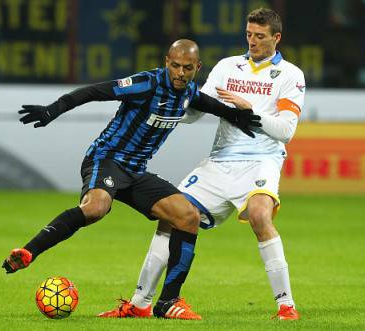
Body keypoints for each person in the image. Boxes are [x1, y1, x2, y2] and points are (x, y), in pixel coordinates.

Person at [1, 39, 262, 320]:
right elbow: (94, 91)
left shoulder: (188, 93)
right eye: (175, 65)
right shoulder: (146, 84)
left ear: (197, 67)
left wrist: (236, 115)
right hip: (107, 160)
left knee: (188, 216)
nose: (180, 73)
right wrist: (53, 109)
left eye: (187, 68)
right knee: (96, 208)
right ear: (166, 62)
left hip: (136, 171)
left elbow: (205, 102)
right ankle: (29, 252)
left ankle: (167, 302)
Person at [98, 8, 304, 321]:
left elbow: (287, 131)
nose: (252, 41)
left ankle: (286, 306)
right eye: (249, 34)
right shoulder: (227, 67)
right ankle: (140, 304)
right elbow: (194, 112)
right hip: (220, 160)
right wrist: (173, 100)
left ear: (276, 38)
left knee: (261, 215)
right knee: (172, 216)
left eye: (260, 36)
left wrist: (250, 112)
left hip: (261, 160)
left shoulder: (291, 75)